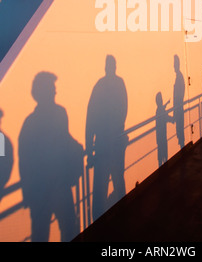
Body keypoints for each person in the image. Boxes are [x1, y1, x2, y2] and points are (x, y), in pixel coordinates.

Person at [18, 72, 82, 241]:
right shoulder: (57, 114)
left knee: (45, 234)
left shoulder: (31, 122)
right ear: (43, 92)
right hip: (54, 187)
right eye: (52, 88)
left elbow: (24, 159)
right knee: (66, 229)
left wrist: (27, 193)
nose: (55, 92)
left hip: (43, 190)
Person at [85, 55, 128, 221]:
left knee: (100, 190)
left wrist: (89, 150)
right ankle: (124, 217)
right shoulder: (120, 83)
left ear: (106, 67)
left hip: (102, 146)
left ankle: (99, 225)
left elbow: (90, 118)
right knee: (118, 180)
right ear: (114, 67)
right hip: (116, 142)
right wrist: (119, 129)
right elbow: (124, 108)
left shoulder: (99, 86)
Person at [173, 55, 185, 149]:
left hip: (179, 106)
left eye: (175, 64)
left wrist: (177, 105)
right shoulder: (178, 76)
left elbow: (180, 92)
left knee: (180, 126)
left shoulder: (179, 77)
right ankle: (181, 144)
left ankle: (182, 145)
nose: (173, 66)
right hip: (178, 106)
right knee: (179, 126)